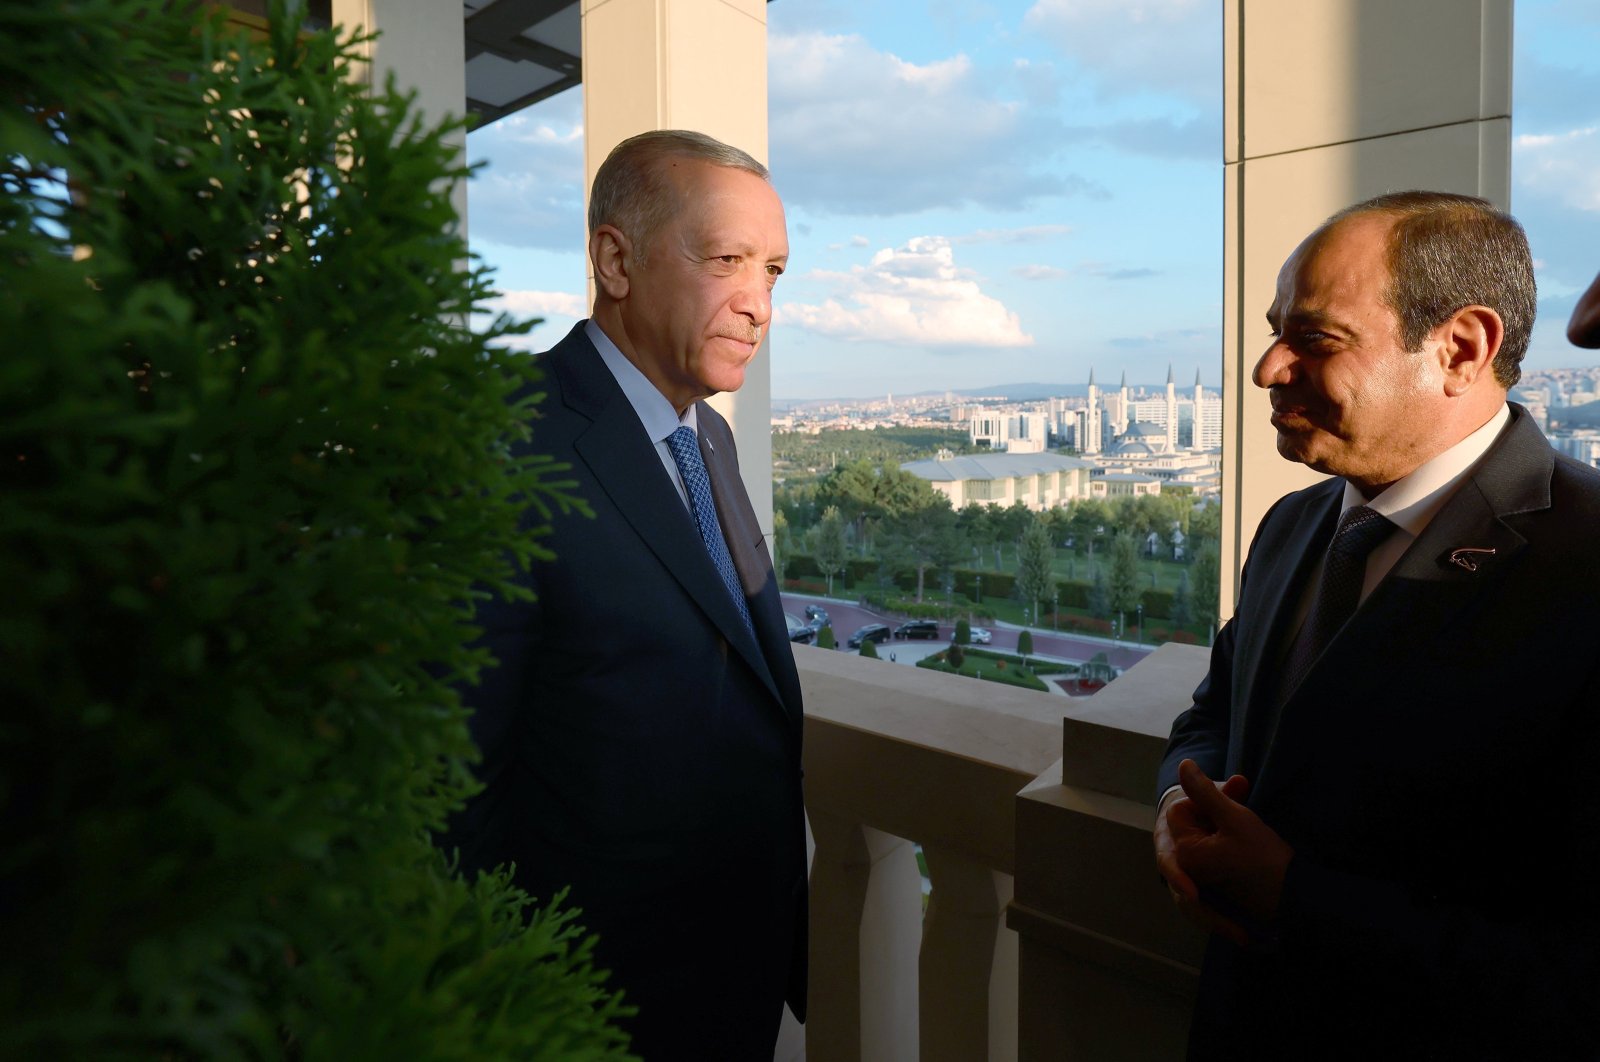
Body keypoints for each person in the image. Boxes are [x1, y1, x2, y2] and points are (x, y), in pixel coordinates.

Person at [1153, 191, 1600, 1060]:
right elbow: (1214, 715)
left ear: (1460, 350)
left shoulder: (1585, 566)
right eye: (1276, 328)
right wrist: (1179, 802)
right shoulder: (1293, 524)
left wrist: (1291, 897)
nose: (1266, 368)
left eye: (1314, 339)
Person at [444, 130, 805, 1060]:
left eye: (772, 271)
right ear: (615, 258)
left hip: (732, 982)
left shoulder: (707, 440)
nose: (758, 305)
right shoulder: (499, 448)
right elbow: (452, 789)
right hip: (586, 1007)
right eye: (725, 260)